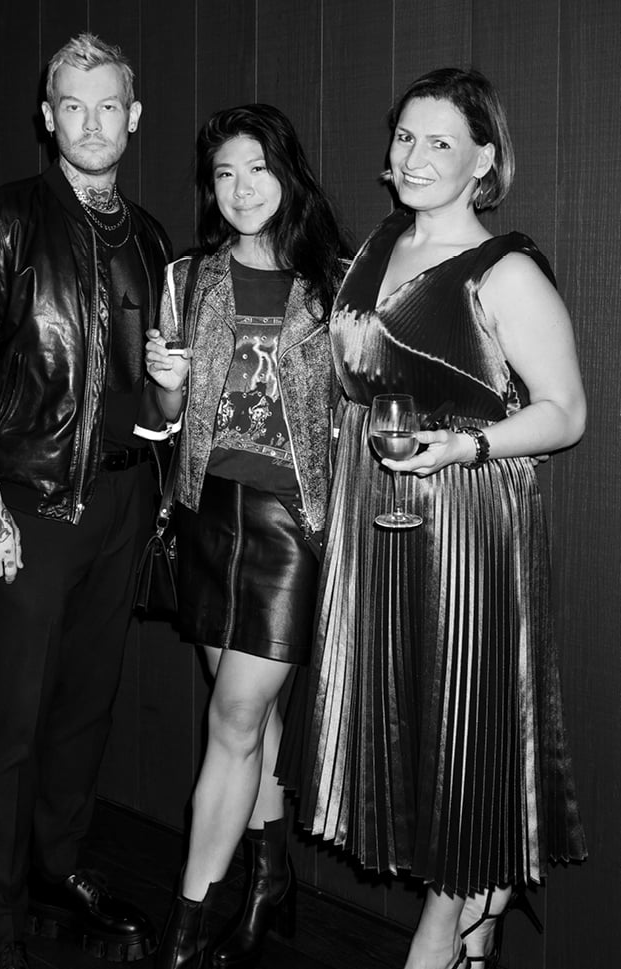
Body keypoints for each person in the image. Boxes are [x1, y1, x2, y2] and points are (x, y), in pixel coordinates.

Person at [278, 67, 587, 969]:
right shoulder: (376, 245)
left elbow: (565, 412)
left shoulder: (505, 269)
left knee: (463, 719)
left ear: (483, 161)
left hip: (462, 520)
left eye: (439, 141)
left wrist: (467, 446)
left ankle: (439, 932)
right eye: (404, 136)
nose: (412, 156)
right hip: (372, 514)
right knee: (403, 719)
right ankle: (479, 916)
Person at [0, 33, 171, 969]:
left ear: (132, 117)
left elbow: (148, 381)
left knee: (84, 711)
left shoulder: (150, 236)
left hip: (121, 500)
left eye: (108, 106)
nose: (91, 123)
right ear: (47, 116)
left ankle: (55, 872)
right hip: (30, 505)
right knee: (14, 724)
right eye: (73, 105)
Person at [141, 103, 351, 969]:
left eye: (257, 168)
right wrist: (163, 384)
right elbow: (166, 417)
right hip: (205, 515)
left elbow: (361, 410)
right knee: (249, 721)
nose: (240, 188)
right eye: (224, 173)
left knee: (230, 716)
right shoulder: (187, 277)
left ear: (287, 174)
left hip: (291, 525)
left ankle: (184, 929)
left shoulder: (337, 283)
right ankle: (270, 879)